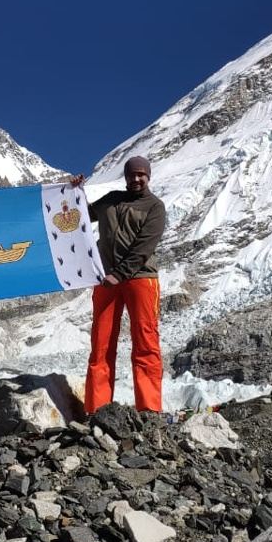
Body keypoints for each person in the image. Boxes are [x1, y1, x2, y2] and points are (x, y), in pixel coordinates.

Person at [69, 156, 167, 415]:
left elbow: (144, 247)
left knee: (145, 343)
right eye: (132, 174)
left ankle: (149, 410)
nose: (136, 179)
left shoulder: (155, 207)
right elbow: (80, 215)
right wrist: (74, 191)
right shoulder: (111, 199)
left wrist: (120, 274)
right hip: (107, 281)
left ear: (148, 176)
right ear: (125, 177)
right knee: (100, 345)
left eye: (141, 174)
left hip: (141, 279)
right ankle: (96, 411)